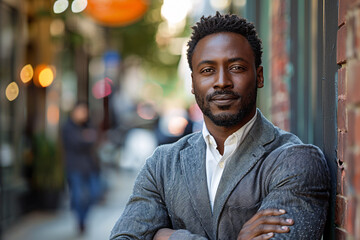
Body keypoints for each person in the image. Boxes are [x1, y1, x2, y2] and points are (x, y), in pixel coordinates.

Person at [110, 12, 330, 240]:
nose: (222, 81)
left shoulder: (295, 161)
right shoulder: (162, 165)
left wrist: (167, 236)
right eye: (207, 71)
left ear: (259, 76)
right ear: (193, 83)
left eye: (236, 67)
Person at [62, 102, 101, 234]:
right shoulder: (67, 127)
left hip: (90, 166)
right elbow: (76, 143)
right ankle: (80, 221)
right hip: (74, 167)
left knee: (94, 193)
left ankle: (83, 219)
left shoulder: (89, 125)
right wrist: (86, 138)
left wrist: (86, 137)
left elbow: (93, 139)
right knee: (78, 197)